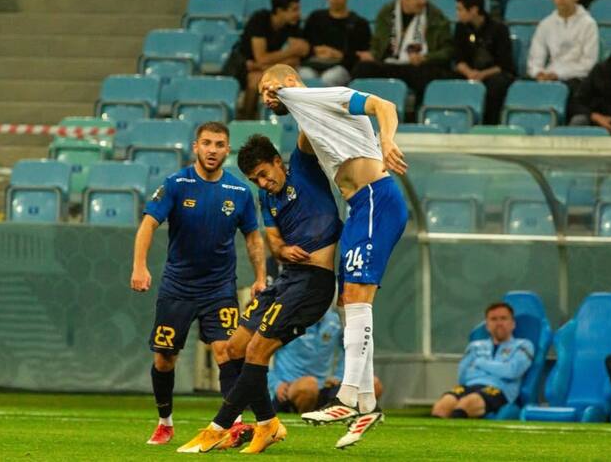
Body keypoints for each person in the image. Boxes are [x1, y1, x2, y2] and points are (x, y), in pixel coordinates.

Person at [259, 64, 408, 449]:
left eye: (268, 86)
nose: (265, 94)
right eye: (259, 91)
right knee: (351, 302)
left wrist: (387, 141)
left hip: (376, 197)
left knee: (356, 298)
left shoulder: (323, 96)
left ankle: (346, 397)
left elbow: (384, 105)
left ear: (290, 81)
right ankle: (367, 405)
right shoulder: (309, 126)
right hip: (359, 207)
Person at [177, 133, 342, 454]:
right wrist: (283, 248)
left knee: (256, 351)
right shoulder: (267, 199)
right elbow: (274, 242)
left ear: (278, 162)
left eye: (265, 174)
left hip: (313, 283)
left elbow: (308, 129)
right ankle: (268, 424)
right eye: (256, 180)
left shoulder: (304, 170)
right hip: (287, 279)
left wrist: (289, 91)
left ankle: (219, 427)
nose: (263, 183)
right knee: (232, 348)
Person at [130, 121, 266, 446]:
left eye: (219, 144)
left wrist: (261, 277)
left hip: (219, 288)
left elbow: (252, 237)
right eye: (207, 143)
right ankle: (165, 422)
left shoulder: (239, 192)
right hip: (177, 287)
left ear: (227, 150)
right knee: (164, 358)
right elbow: (148, 224)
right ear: (196, 147)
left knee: (227, 350)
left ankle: (233, 424)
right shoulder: (176, 184)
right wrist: (139, 267)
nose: (212, 150)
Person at [352, 0, 453, 106]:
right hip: (390, 64)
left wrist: (426, 58)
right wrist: (372, 55)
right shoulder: (387, 13)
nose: (423, 1)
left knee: (428, 74)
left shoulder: (435, 16)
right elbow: (378, 44)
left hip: (417, 67)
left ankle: (416, 117)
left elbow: (448, 50)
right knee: (362, 68)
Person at [270, 309, 384, 414]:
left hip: (324, 388)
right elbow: (259, 355)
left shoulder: (334, 320)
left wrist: (341, 376)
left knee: (373, 383)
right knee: (309, 385)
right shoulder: (286, 319)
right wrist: (275, 383)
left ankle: (354, 424)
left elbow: (350, 349)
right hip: (290, 388)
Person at [431, 303, 534, 419]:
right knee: (443, 405)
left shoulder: (523, 345)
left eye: (503, 318)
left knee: (468, 403)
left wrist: (480, 363)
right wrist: (499, 368)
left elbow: (512, 371)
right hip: (469, 386)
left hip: (499, 389)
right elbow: (463, 375)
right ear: (487, 325)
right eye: (494, 319)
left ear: (513, 324)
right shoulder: (475, 346)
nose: (499, 323)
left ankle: (457, 434)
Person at [237, 0, 309, 119]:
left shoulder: (292, 24)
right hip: (242, 67)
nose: (298, 14)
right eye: (294, 10)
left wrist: (264, 65)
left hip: (261, 69)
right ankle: (244, 121)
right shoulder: (260, 20)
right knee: (254, 80)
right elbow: (261, 57)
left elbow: (299, 55)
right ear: (280, 10)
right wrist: (290, 52)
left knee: (259, 77)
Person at [453, 0, 515, 125]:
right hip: (469, 73)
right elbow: (458, 59)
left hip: (493, 73)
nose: (457, 14)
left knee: (496, 85)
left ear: (474, 10)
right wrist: (469, 72)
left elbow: (505, 64)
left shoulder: (499, 29)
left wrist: (482, 74)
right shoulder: (460, 28)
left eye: (460, 9)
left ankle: (490, 123)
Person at [527, 0, 598, 93]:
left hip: (577, 78)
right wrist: (538, 73)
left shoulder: (588, 24)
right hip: (549, 76)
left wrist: (559, 74)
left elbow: (589, 64)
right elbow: (535, 57)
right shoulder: (545, 24)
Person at [300, 0, 372, 87]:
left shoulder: (359, 23)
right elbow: (303, 46)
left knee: (329, 78)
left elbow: (361, 56)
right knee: (305, 76)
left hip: (342, 68)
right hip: (313, 64)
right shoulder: (315, 18)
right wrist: (315, 50)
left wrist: (339, 55)